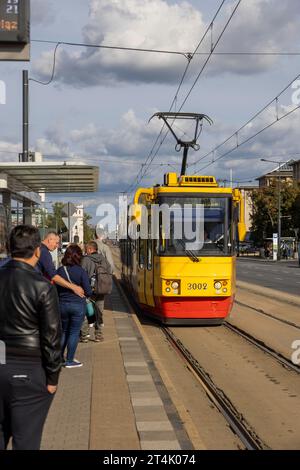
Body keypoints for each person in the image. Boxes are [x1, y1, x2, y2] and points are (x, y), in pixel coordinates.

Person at [0, 225, 62, 450]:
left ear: (9, 249)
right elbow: (52, 336)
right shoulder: (43, 286)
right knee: (26, 440)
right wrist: (53, 378)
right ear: (38, 251)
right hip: (29, 371)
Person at [56, 244, 92, 368]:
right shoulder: (81, 271)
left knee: (64, 331)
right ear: (78, 256)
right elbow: (88, 292)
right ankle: (70, 360)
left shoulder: (60, 270)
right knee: (74, 332)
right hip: (77, 306)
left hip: (62, 305)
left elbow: (55, 287)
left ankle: (59, 358)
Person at [37, 232, 84, 298]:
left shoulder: (38, 248)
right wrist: (74, 287)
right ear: (50, 239)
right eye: (56, 243)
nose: (57, 246)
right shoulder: (44, 252)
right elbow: (53, 275)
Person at [80, 241, 112, 342]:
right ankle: (98, 335)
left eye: (86, 249)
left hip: (89, 291)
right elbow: (110, 270)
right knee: (99, 312)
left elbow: (81, 273)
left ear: (90, 249)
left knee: (87, 312)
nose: (85, 251)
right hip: (101, 290)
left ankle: (85, 335)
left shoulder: (85, 259)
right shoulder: (103, 259)